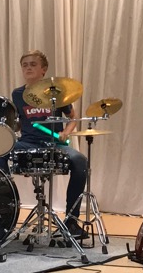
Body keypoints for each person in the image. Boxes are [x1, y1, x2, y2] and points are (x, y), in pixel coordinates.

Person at [7, 49, 90, 239]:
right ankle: (3, 215)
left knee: (80, 161)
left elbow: (73, 117)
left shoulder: (56, 93)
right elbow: (18, 122)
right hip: (27, 143)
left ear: (43, 69)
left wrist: (65, 132)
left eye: (33, 64)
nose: (28, 68)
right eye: (25, 65)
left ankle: (71, 221)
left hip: (54, 144)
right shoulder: (17, 94)